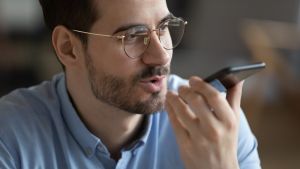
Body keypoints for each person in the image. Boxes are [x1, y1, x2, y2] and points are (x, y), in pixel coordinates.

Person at [0, 0, 261, 168]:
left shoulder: (215, 128)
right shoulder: (10, 138)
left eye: (164, 27)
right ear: (68, 48)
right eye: (133, 36)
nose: (162, 55)